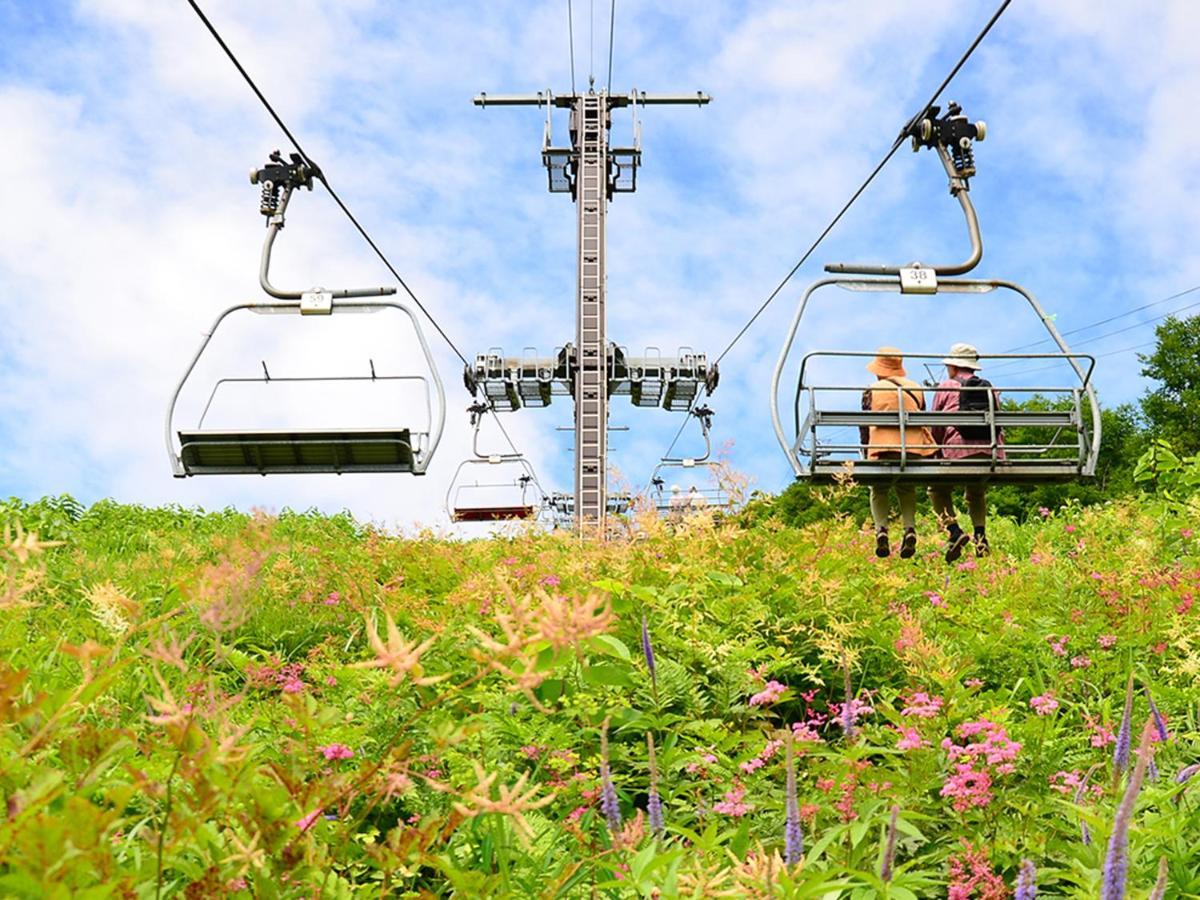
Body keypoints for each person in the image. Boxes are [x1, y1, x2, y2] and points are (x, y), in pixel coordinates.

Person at [928, 342, 1005, 561]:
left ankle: (954, 532)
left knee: (937, 490)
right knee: (976, 491)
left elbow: (936, 424)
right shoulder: (990, 389)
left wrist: (934, 451)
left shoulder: (946, 386)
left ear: (952, 366)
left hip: (957, 452)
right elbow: (999, 422)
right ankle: (981, 536)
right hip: (990, 452)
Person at [860, 347, 937, 559]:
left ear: (879, 369)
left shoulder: (872, 389)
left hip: (883, 450)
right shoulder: (916, 388)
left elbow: (865, 424)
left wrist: (867, 452)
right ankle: (910, 529)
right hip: (913, 449)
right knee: (906, 487)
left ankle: (881, 531)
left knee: (878, 489)